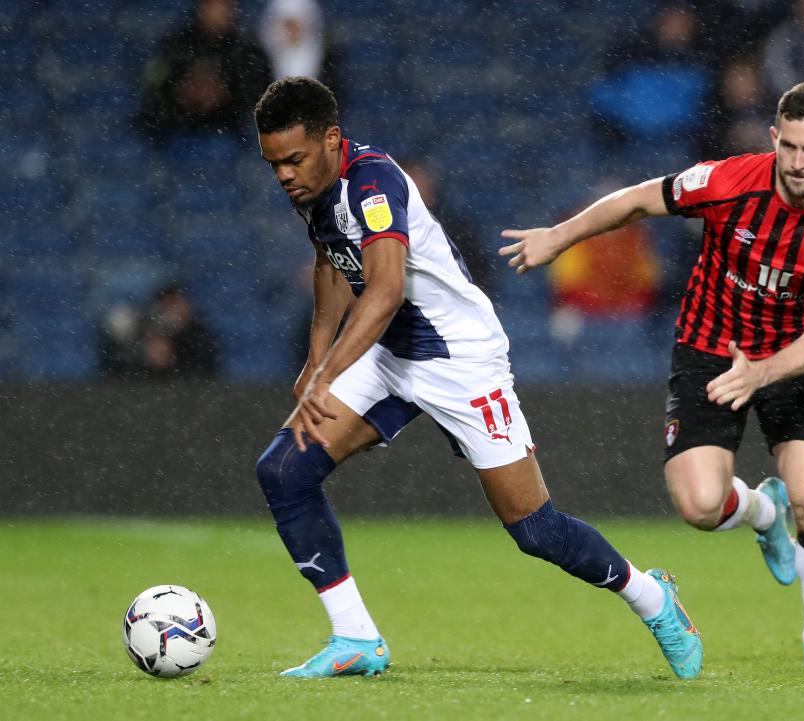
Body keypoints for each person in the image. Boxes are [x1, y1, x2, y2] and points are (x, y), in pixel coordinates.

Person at [251, 77, 703, 680]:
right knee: (284, 472)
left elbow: (383, 292)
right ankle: (355, 637)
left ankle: (651, 597)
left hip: (459, 358)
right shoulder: (314, 187)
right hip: (390, 354)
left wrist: (326, 373)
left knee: (536, 531)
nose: (284, 174)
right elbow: (331, 260)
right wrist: (314, 358)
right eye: (274, 163)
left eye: (294, 159)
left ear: (331, 139)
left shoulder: (374, 183)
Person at [500, 80, 804, 671]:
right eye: (790, 147)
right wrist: (560, 237)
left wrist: (761, 374)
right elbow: (636, 200)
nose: (799, 163)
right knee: (701, 507)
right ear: (774, 138)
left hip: (791, 362)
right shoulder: (728, 181)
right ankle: (763, 513)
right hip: (709, 350)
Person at [138, 0, 272, 139]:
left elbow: (258, 97)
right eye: (211, 6)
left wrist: (224, 94)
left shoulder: (247, 49)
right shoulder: (177, 43)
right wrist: (183, 92)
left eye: (223, 7)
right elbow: (152, 87)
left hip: (230, 131)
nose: (217, 13)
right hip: (176, 128)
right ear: (200, 8)